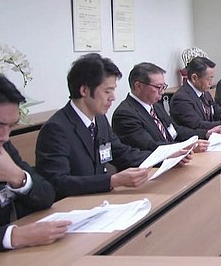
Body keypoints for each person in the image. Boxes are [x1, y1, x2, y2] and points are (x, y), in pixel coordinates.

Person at [36, 54, 155, 200]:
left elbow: (121, 153)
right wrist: (112, 181)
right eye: (107, 91)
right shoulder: (56, 129)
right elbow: (57, 182)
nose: (113, 97)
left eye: (113, 90)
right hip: (73, 205)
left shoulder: (99, 119)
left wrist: (164, 157)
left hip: (99, 199)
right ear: (84, 90)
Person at [0, 73, 70, 252]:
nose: (5, 136)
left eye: (11, 126)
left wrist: (17, 177)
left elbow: (46, 197)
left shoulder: (2, 148)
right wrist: (14, 236)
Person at [112, 63, 217, 152]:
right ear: (138, 86)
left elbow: (175, 131)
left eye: (164, 86)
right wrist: (186, 147)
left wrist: (206, 133)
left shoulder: (156, 106)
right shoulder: (125, 115)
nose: (162, 92)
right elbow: (149, 146)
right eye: (158, 87)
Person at [170, 56, 221, 132]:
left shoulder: (205, 93)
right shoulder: (181, 99)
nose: (211, 83)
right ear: (194, 78)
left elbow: (219, 113)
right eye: (209, 78)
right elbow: (198, 125)